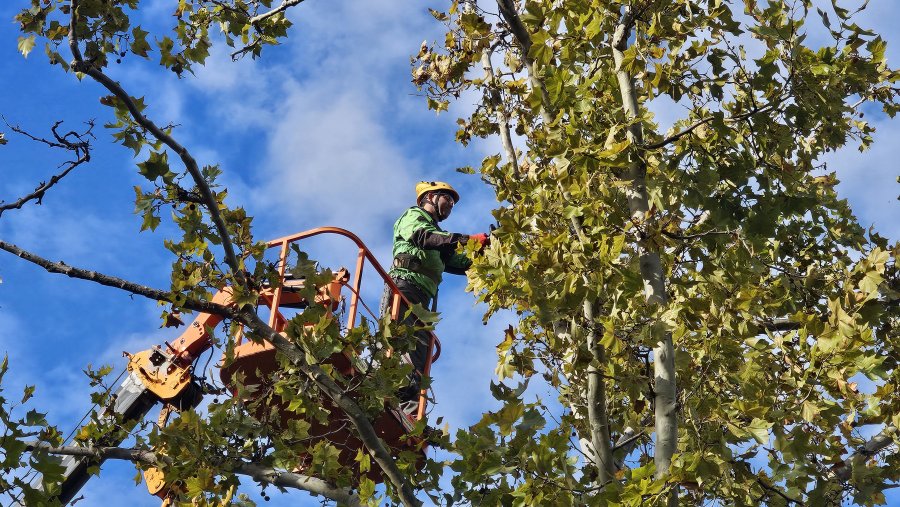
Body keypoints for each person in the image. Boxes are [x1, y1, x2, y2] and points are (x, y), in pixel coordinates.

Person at [382, 181, 489, 411]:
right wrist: (466, 240)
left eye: (452, 203)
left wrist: (485, 249)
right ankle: (396, 394)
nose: (450, 205)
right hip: (405, 286)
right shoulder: (414, 216)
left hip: (422, 299)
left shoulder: (438, 237)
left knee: (419, 356)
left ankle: (409, 408)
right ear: (430, 196)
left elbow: (460, 263)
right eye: (447, 199)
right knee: (403, 346)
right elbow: (423, 237)